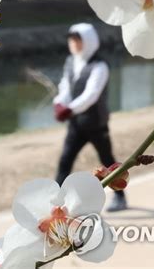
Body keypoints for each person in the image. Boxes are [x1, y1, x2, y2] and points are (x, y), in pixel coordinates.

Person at [53, 23, 127, 212]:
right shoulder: (71, 61)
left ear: (88, 41)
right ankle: (56, 202)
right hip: (76, 125)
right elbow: (65, 86)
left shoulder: (100, 66)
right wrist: (60, 102)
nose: (74, 44)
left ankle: (120, 197)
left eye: (78, 40)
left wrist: (69, 109)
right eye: (72, 40)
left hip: (96, 124)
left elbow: (91, 94)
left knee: (108, 162)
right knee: (65, 160)